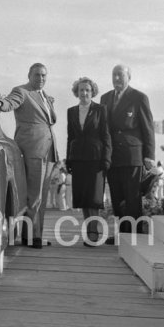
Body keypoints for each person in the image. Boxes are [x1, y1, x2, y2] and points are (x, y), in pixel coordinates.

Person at [0, 63, 58, 248]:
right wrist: (0, 104)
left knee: (41, 196)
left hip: (48, 151)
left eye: (44, 75)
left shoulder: (44, 96)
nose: (41, 78)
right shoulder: (22, 91)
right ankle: (30, 236)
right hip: (33, 149)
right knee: (33, 194)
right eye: (37, 75)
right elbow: (10, 102)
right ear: (29, 75)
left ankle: (35, 234)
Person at [100, 65, 155, 241]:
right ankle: (122, 235)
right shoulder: (105, 98)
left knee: (132, 198)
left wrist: (149, 156)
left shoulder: (139, 98)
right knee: (117, 198)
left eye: (120, 75)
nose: (116, 78)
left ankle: (135, 236)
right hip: (112, 156)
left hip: (133, 155)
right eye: (114, 74)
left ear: (129, 77)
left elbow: (148, 128)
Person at [66, 77, 112, 245]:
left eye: (87, 90)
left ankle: (93, 234)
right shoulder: (71, 111)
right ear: (76, 93)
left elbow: (106, 135)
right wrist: (68, 159)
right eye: (81, 90)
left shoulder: (101, 109)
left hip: (96, 159)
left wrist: (107, 158)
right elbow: (70, 137)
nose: (84, 93)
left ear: (92, 92)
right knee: (83, 198)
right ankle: (89, 232)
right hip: (78, 159)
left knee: (94, 198)